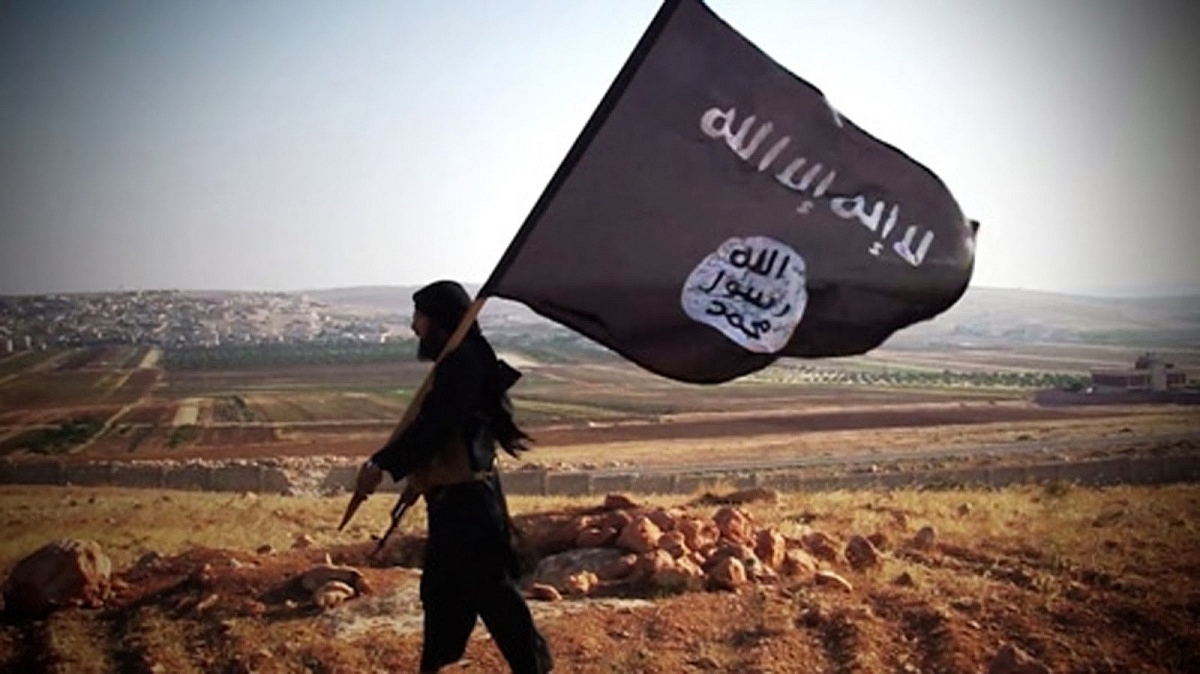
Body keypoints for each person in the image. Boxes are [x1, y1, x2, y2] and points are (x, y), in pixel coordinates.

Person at [352, 280, 553, 674]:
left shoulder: (463, 363)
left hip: (470, 506)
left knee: (494, 595)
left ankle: (535, 668)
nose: (414, 327)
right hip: (455, 501)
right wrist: (420, 476)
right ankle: (438, 665)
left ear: (439, 320)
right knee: (444, 595)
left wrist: (382, 464)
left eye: (419, 317)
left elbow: (436, 426)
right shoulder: (460, 359)